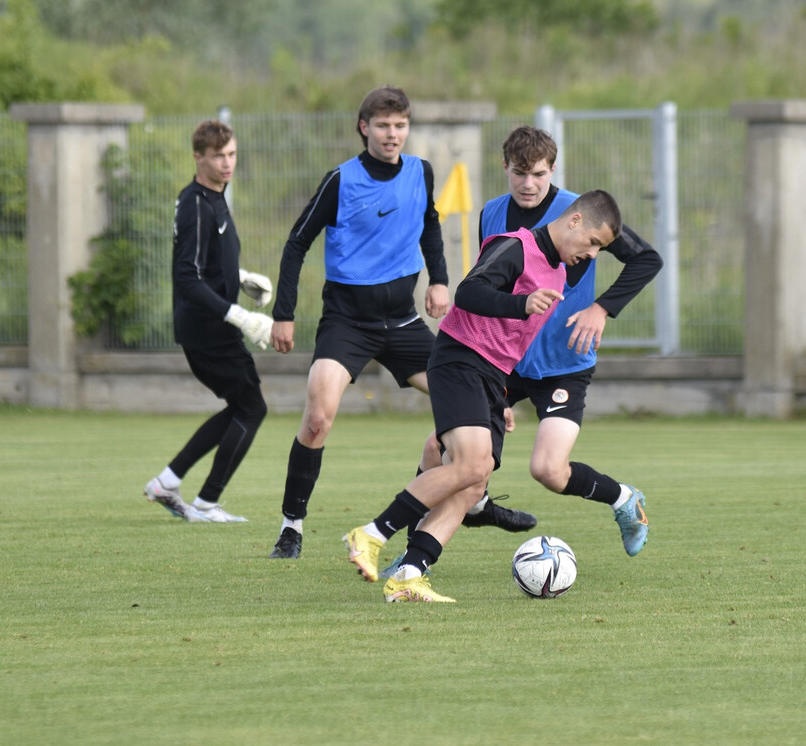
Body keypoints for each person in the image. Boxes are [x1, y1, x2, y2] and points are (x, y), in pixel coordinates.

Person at [265, 86, 533, 559]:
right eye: (384, 125)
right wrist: (283, 314)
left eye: (401, 125)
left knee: (484, 401)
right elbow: (296, 243)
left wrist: (439, 280)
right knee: (317, 419)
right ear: (364, 127)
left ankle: (476, 501)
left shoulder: (419, 171)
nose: (393, 134)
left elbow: (430, 224)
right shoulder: (341, 180)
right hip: (346, 322)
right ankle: (292, 526)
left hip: (403, 322)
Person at [343, 190, 623, 603]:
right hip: (460, 359)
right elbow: (469, 293)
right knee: (471, 464)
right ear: (576, 220)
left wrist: (501, 399)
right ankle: (370, 534)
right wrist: (520, 302)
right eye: (595, 242)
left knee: (475, 483)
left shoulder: (559, 274)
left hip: (492, 378)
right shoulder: (516, 246)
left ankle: (408, 574)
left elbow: (512, 342)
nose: (593, 254)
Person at [483, 126, 663, 556]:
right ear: (504, 167)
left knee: (548, 470)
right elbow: (488, 287)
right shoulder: (491, 213)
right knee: (446, 449)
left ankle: (623, 499)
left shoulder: (577, 212)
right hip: (506, 359)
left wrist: (601, 308)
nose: (529, 184)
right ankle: (415, 558)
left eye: (539, 174)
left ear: (553, 169)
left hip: (565, 360)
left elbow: (646, 258)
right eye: (520, 173)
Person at [142, 119, 274, 523]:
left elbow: (206, 265)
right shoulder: (197, 204)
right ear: (198, 157)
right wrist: (238, 314)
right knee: (251, 408)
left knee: (242, 406)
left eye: (232, 154)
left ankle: (167, 481)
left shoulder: (215, 197)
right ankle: (205, 503)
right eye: (218, 156)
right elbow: (186, 276)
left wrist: (240, 278)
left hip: (211, 326)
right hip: (208, 329)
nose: (227, 163)